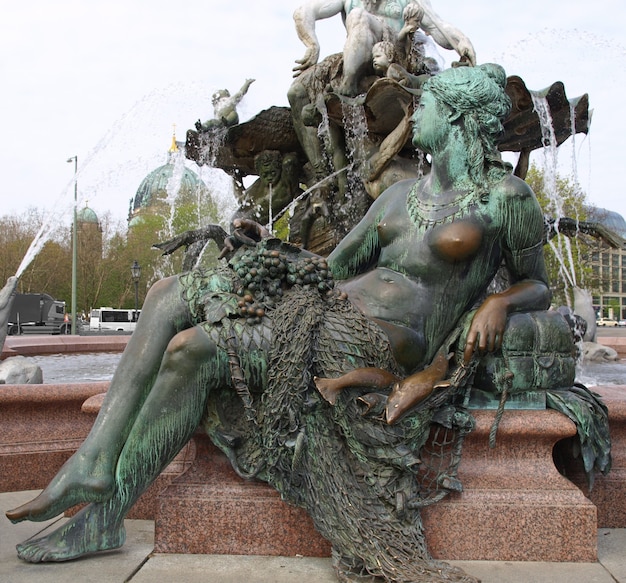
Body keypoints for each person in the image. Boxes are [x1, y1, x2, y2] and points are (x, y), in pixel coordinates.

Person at [6, 64, 548, 581]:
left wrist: (499, 303)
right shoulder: (401, 196)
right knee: (168, 291)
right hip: (328, 303)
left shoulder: (505, 198)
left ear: (455, 116)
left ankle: (105, 510)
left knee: (194, 349)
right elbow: (331, 267)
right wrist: (268, 248)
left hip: (381, 340)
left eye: (424, 104)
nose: (415, 114)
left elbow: (540, 284)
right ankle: (95, 464)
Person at [293, 0, 476, 96]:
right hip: (360, 57)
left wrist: (461, 41)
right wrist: (312, 43)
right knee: (298, 91)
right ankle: (348, 85)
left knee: (359, 16)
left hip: (398, 55)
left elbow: (437, 26)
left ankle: (347, 87)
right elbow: (305, 11)